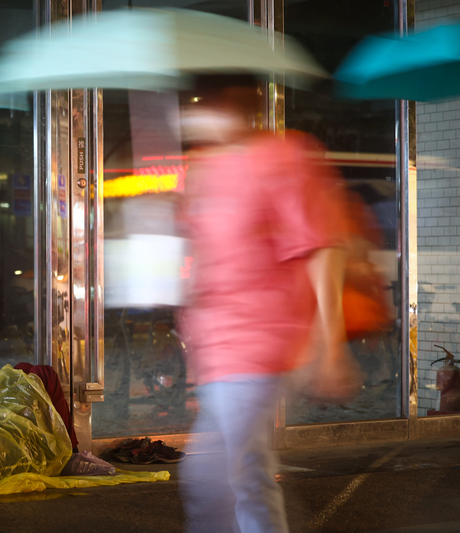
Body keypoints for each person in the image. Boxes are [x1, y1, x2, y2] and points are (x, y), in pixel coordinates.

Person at [178, 75, 362, 533]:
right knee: (232, 475)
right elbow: (204, 259)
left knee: (223, 475)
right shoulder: (204, 168)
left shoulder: (282, 158)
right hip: (219, 349)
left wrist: (330, 344)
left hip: (263, 341)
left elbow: (321, 247)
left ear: (238, 106)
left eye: (205, 104)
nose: (195, 115)